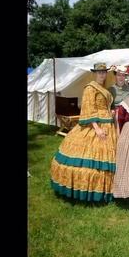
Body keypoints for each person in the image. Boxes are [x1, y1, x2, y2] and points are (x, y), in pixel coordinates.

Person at [49, 63, 117, 202]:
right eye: (99, 72)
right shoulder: (90, 88)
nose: (102, 74)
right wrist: (97, 128)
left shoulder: (103, 88)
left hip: (108, 124)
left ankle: (111, 190)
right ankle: (89, 191)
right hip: (96, 125)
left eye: (104, 72)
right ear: (94, 73)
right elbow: (87, 109)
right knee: (91, 161)